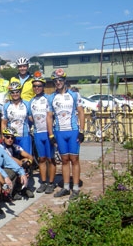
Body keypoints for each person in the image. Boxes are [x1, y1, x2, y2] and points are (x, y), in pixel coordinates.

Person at [47, 68, 85, 200]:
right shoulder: (51, 97)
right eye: (55, 81)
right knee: (64, 160)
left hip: (73, 130)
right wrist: (51, 135)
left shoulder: (74, 95)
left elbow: (81, 112)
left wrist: (81, 131)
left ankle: (75, 187)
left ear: (64, 81)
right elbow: (49, 117)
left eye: (60, 80)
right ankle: (66, 187)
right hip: (59, 132)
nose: (58, 82)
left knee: (74, 159)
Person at [28, 71, 56, 194]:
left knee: (51, 159)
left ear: (43, 86)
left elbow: (53, 115)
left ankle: (51, 183)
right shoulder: (31, 102)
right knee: (41, 159)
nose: (37, 88)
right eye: (35, 86)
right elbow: (30, 118)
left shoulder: (48, 99)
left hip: (48, 132)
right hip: (38, 133)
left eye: (39, 86)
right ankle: (43, 182)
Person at [0, 124, 30, 200]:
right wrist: (5, 176)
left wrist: (22, 172)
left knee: (15, 170)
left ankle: (8, 193)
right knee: (2, 175)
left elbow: (9, 161)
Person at [0, 126, 34, 199]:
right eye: (8, 137)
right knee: (17, 169)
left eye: (12, 138)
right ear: (3, 137)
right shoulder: (1, 147)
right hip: (3, 169)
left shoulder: (15, 146)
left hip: (14, 167)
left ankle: (23, 188)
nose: (10, 139)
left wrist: (28, 163)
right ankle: (12, 192)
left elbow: (30, 156)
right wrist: (22, 165)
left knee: (26, 162)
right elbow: (10, 159)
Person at [1, 82, 32, 154]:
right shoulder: (6, 106)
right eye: (12, 92)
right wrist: (3, 137)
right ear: (10, 93)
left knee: (27, 159)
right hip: (11, 137)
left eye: (17, 92)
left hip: (24, 136)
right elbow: (3, 123)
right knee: (13, 160)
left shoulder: (27, 104)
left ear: (20, 92)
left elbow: (31, 119)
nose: (15, 94)